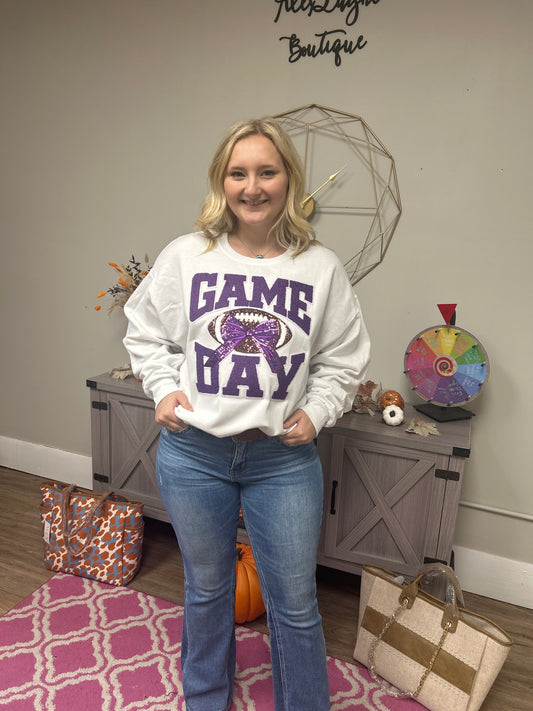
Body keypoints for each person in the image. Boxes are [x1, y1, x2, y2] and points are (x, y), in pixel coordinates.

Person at [123, 117, 370, 711]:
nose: (252, 186)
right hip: (194, 453)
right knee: (206, 589)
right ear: (221, 181)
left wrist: (319, 408)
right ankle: (205, 697)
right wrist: (161, 387)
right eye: (238, 173)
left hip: (281, 460)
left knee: (295, 601)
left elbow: (343, 358)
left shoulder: (321, 267)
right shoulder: (186, 256)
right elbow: (144, 331)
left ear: (288, 179)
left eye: (267, 171)